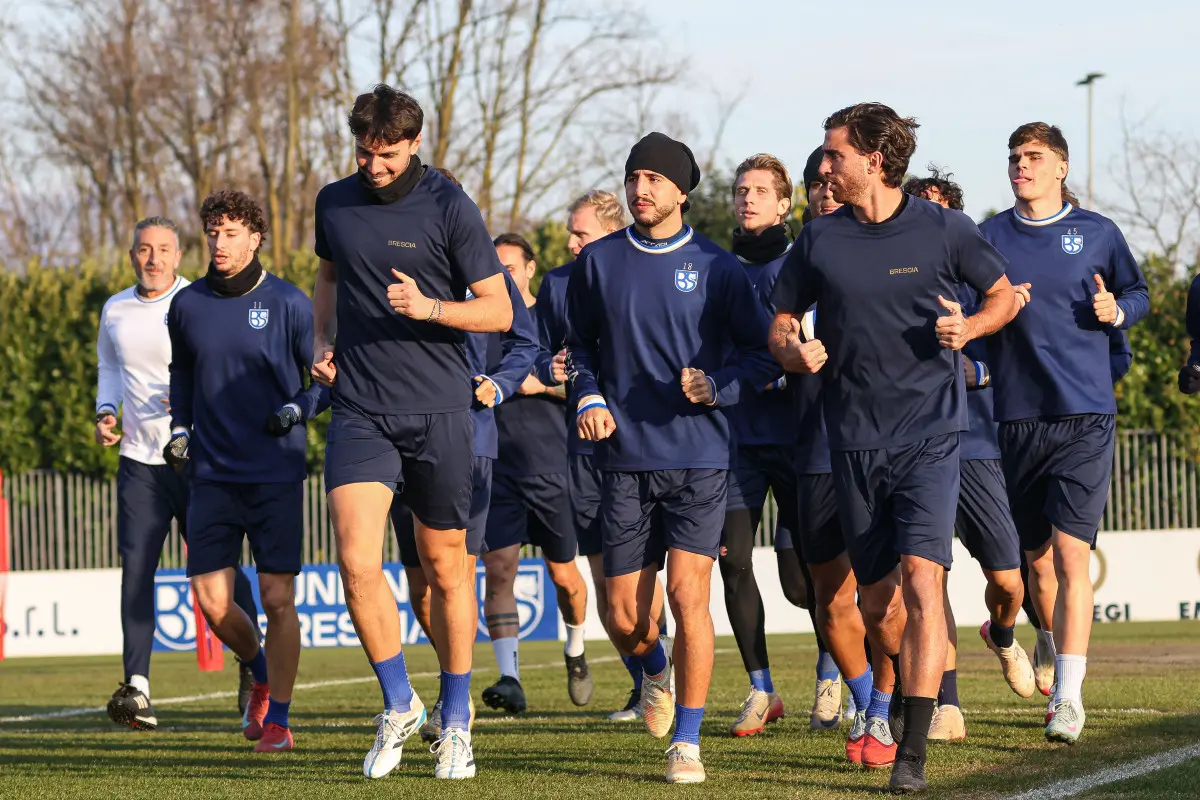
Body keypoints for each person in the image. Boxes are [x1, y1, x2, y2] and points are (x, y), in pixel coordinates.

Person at [769, 103, 1017, 793]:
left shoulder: (946, 230)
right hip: (851, 443)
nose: (822, 167)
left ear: (874, 159)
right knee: (879, 610)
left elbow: (1003, 297)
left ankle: (912, 749)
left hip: (932, 437)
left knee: (922, 579)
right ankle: (890, 698)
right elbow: (780, 326)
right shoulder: (818, 242)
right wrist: (795, 351)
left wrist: (970, 329)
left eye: (832, 155)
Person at [311, 84, 513, 780]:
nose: (374, 166)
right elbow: (329, 277)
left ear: (414, 143)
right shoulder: (333, 201)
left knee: (445, 566)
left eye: (388, 155)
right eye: (365, 154)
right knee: (357, 561)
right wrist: (319, 337)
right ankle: (400, 704)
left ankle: (456, 719)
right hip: (361, 406)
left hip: (439, 409)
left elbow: (498, 312)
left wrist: (429, 307)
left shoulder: (451, 206)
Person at [567, 132, 778, 783]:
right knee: (627, 614)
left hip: (699, 459)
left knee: (691, 596)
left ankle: (686, 742)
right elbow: (578, 348)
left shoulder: (720, 268)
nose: (641, 188)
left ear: (682, 190)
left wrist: (719, 387)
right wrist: (588, 395)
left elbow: (763, 356)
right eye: (634, 177)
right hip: (624, 458)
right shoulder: (597, 262)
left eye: (655, 178)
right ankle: (653, 669)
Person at [979, 122, 1148, 745]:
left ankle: (1069, 698)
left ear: (1060, 167)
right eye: (1014, 157)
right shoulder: (989, 236)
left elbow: (1138, 292)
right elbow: (964, 308)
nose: (1020, 166)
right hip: (1015, 417)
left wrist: (1118, 311)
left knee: (1073, 557)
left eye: (1033, 157)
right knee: (1035, 567)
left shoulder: (1098, 232)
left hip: (1085, 414)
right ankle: (1041, 638)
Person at [166, 190, 327, 753]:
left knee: (279, 599)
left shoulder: (288, 302)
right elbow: (181, 377)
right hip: (210, 474)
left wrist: (298, 410)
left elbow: (325, 380)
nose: (219, 242)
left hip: (275, 475)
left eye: (231, 232)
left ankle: (279, 720)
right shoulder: (186, 306)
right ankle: (259, 671)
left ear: (255, 238)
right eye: (212, 232)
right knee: (211, 602)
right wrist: (180, 429)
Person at [96, 216, 260, 730]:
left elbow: (234, 365)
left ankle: (253, 666)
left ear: (179, 255)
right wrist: (106, 409)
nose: (153, 259)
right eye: (144, 249)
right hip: (139, 465)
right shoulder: (115, 309)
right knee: (137, 571)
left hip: (197, 460)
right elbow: (109, 366)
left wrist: (197, 395)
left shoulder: (200, 303)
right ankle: (137, 688)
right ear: (131, 254)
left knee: (221, 571)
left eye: (163, 249)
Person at [901, 171, 1037, 743]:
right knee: (929, 582)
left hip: (978, 446)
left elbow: (1013, 365)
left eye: (938, 212)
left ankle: (1003, 635)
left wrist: (974, 368)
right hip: (919, 445)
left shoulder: (989, 288)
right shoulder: (898, 282)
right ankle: (946, 705)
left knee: (1009, 580)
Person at [537, 189, 671, 722]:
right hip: (583, 448)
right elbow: (540, 354)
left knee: (653, 576)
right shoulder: (556, 284)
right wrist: (552, 370)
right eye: (571, 232)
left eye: (581, 232)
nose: (570, 242)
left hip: (646, 446)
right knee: (604, 575)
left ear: (613, 232)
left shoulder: (640, 271)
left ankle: (663, 676)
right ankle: (645, 684)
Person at [721, 152, 840, 736]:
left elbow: (815, 344)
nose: (748, 199)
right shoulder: (715, 267)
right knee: (734, 562)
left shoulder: (805, 263)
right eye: (741, 190)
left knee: (804, 581)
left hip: (798, 437)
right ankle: (761, 689)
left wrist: (782, 364)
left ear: (784, 202)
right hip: (733, 442)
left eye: (761, 191)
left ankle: (830, 674)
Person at [790, 146, 887, 764]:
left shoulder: (886, 251)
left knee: (894, 596)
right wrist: (785, 348)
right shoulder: (796, 264)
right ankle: (864, 697)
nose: (825, 193)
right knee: (832, 598)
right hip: (816, 451)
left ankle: (888, 710)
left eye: (832, 183)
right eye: (815, 187)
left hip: (883, 444)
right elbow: (765, 339)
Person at [478, 233, 593, 714]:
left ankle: (576, 647)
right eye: (494, 266)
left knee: (563, 575)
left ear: (529, 269)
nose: (502, 273)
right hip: (497, 468)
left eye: (511, 265)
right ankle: (510, 677)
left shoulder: (550, 321)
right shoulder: (478, 324)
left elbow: (582, 389)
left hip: (550, 467)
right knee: (498, 572)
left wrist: (533, 385)